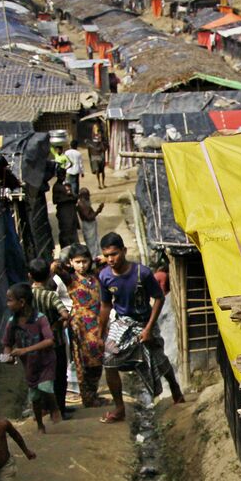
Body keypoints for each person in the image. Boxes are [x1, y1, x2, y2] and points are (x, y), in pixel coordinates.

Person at [96, 232, 183, 423]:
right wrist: (100, 333)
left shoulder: (141, 273)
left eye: (114, 254)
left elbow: (159, 298)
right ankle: (119, 408)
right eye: (107, 255)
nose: (110, 259)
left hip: (145, 321)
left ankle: (175, 388)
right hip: (122, 323)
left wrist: (148, 329)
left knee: (159, 359)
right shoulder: (104, 276)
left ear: (124, 251)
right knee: (109, 361)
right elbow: (105, 305)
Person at [2, 282, 58, 433]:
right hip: (30, 366)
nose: (7, 304)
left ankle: (54, 408)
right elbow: (7, 344)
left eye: (10, 300)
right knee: (35, 397)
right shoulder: (12, 323)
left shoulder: (40, 319)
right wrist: (7, 357)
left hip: (46, 362)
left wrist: (25, 350)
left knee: (46, 388)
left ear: (21, 302)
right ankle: (40, 424)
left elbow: (49, 340)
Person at [29, 258, 73, 419]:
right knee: (59, 376)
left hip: (35, 344)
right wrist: (57, 324)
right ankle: (60, 409)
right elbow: (65, 314)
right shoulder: (50, 296)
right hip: (56, 342)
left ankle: (44, 408)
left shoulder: (25, 296)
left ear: (29, 276)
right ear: (49, 275)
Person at [61, 243, 105, 407]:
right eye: (77, 262)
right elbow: (55, 267)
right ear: (71, 262)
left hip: (97, 322)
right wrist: (66, 264)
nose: (81, 265)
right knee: (82, 361)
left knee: (98, 359)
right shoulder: (70, 278)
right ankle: (88, 397)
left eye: (84, 261)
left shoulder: (95, 275)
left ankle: (93, 394)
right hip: (80, 324)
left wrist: (98, 260)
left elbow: (106, 261)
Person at [52, 175, 78, 250]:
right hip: (64, 213)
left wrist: (71, 196)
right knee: (66, 233)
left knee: (72, 233)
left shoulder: (66, 186)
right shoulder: (56, 187)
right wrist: (67, 199)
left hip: (71, 213)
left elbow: (75, 198)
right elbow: (55, 200)